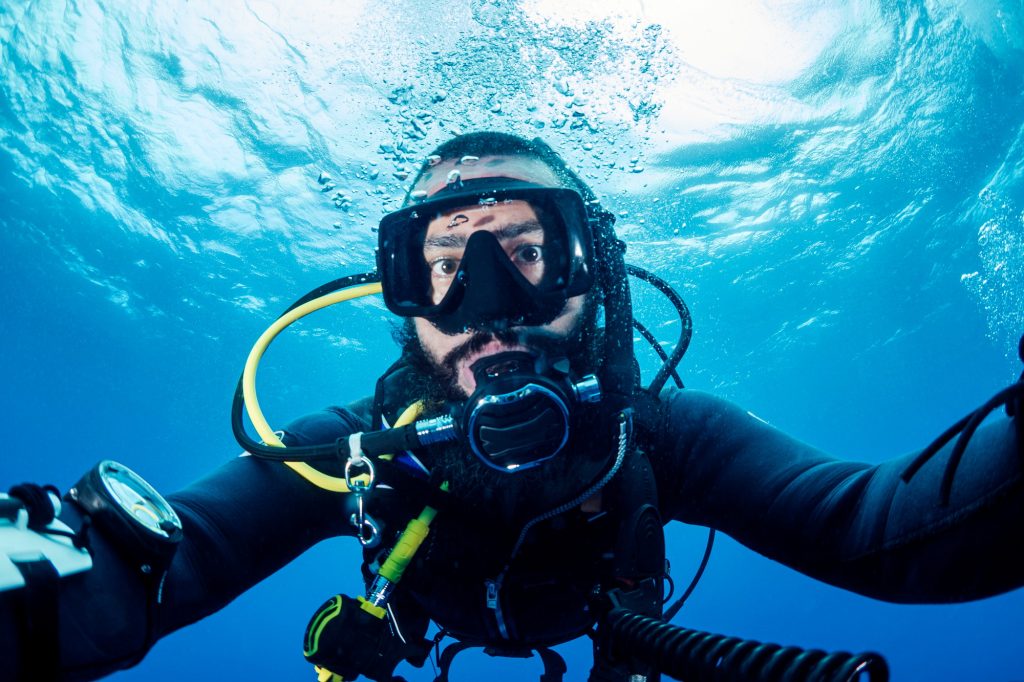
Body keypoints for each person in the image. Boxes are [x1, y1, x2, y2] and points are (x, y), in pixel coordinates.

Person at [2, 132, 1023, 682]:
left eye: (529, 253)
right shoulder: (353, 452)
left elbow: (890, 531)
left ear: (594, 275)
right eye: (447, 264)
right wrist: (54, 575)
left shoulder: (664, 436)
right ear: (402, 295)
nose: (488, 306)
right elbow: (170, 558)